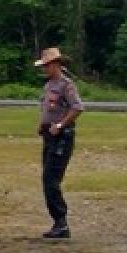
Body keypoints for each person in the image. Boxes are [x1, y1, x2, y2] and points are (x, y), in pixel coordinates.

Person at [34, 47, 83, 239]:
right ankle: (58, 222)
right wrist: (42, 125)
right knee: (47, 179)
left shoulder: (66, 85)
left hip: (62, 136)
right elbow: (46, 108)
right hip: (49, 135)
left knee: (50, 179)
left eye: (46, 65)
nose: (44, 68)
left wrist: (61, 125)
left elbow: (78, 107)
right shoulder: (48, 86)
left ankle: (61, 222)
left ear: (56, 65)